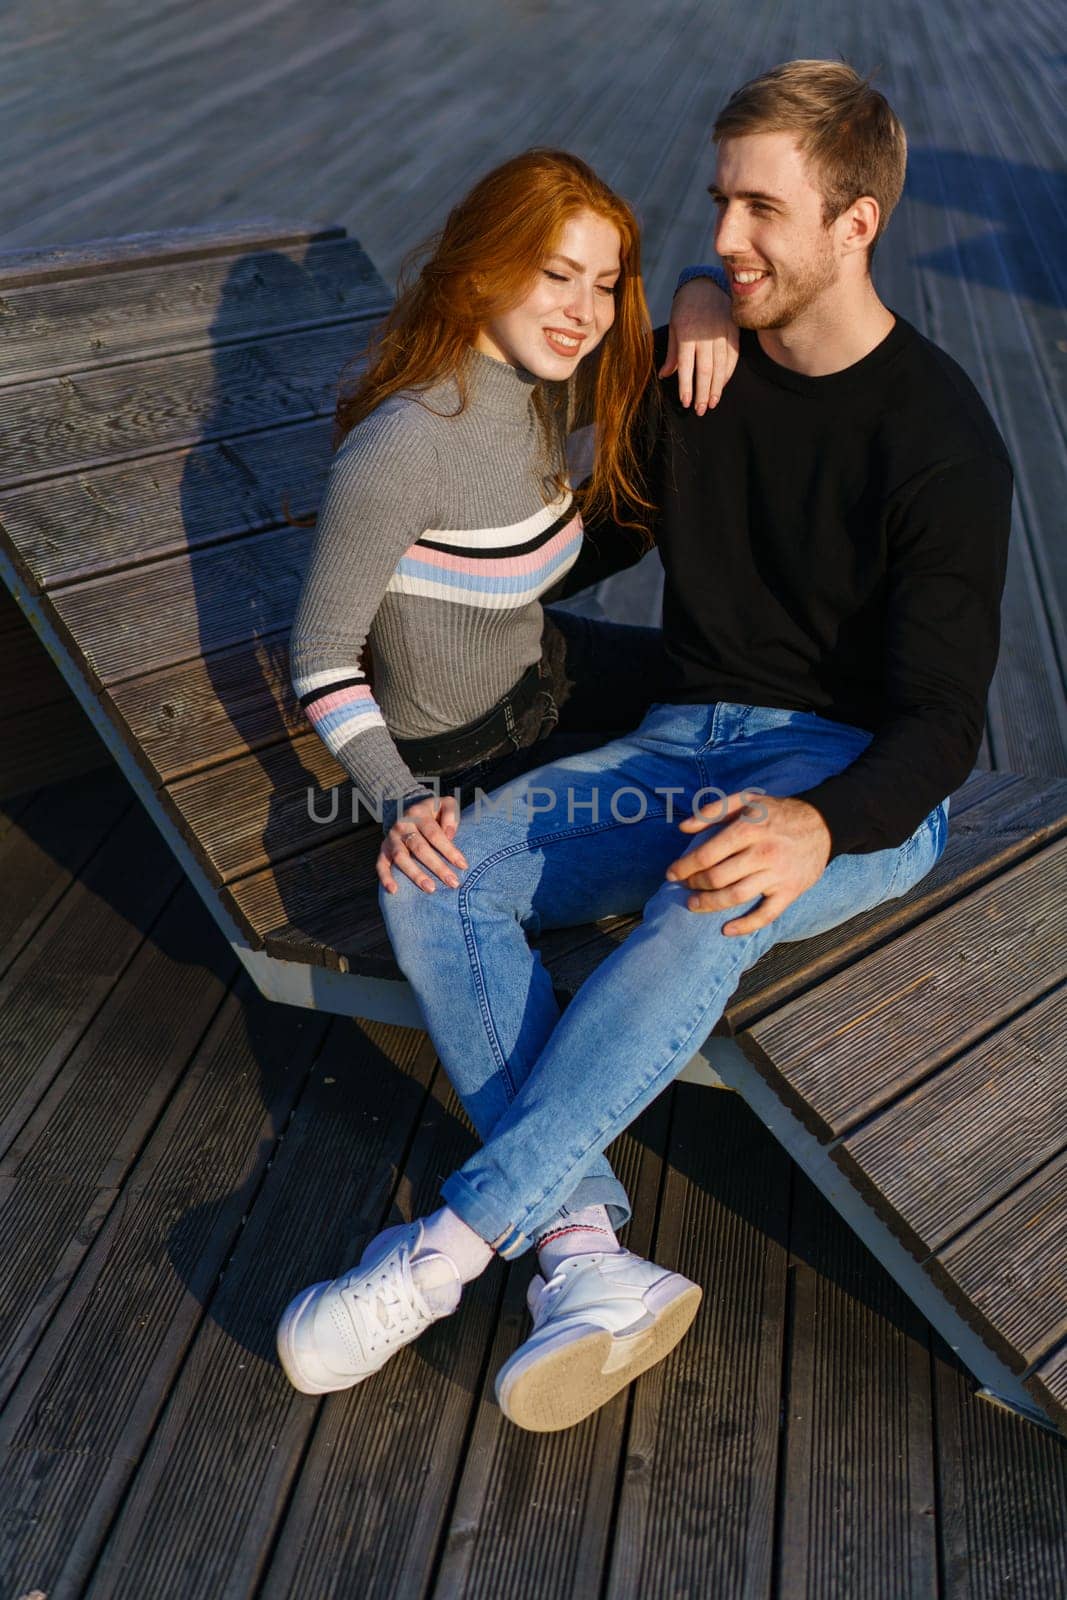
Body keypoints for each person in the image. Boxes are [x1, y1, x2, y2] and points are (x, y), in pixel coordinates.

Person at [278, 61, 1012, 1435]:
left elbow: (941, 723)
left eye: (756, 213)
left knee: (709, 886)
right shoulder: (696, 372)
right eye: (716, 204)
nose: (723, 240)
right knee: (433, 871)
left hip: (850, 781)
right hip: (676, 740)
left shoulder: (940, 440)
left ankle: (439, 1255)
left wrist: (815, 824)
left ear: (854, 226)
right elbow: (569, 534)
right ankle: (584, 1258)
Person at [288, 147, 737, 897]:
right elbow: (320, 656)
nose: (584, 314)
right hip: (467, 768)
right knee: (709, 800)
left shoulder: (539, 384)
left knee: (740, 695)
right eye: (557, 275)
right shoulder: (402, 447)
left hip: (547, 673)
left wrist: (703, 286)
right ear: (480, 270)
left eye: (603, 285)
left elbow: (665, 360)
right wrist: (402, 802)